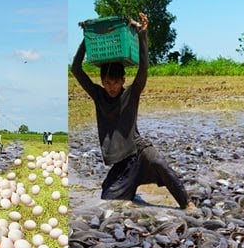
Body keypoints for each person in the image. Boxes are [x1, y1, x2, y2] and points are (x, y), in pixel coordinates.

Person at [72, 13, 194, 210]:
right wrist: (88, 38)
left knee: (159, 163)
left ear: (123, 81)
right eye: (107, 82)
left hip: (139, 150)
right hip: (121, 161)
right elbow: (76, 70)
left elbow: (143, 69)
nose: (112, 87)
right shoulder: (98, 95)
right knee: (109, 200)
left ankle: (187, 203)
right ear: (102, 82)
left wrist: (142, 36)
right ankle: (132, 187)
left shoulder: (131, 93)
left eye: (116, 82)